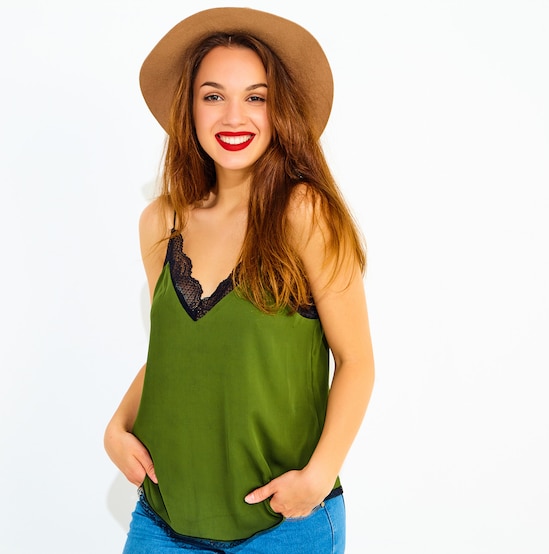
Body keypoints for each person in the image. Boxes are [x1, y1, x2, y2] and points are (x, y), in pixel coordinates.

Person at [104, 7, 374, 554]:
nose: (234, 116)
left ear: (281, 111)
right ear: (190, 108)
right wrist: (117, 425)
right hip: (163, 519)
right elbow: (178, 353)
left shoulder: (305, 213)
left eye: (256, 97)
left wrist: (317, 480)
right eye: (213, 96)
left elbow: (357, 362)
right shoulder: (160, 221)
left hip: (281, 526)